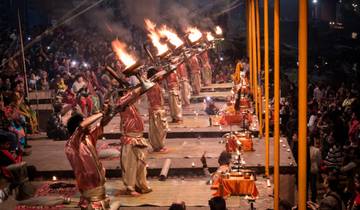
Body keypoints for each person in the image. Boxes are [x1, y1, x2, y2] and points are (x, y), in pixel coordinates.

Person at [65, 111, 113, 210]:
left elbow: (102, 124)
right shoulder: (72, 144)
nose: (90, 125)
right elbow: (82, 126)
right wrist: (101, 113)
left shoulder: (87, 138)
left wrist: (111, 111)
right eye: (86, 122)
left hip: (100, 190)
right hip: (90, 192)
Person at [118, 93, 152, 196]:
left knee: (141, 164)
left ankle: (140, 184)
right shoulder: (123, 104)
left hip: (139, 137)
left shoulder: (133, 104)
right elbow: (126, 99)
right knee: (131, 165)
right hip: (130, 139)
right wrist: (131, 93)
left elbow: (138, 95)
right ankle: (130, 187)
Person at [146, 69, 168, 152]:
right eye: (159, 75)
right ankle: (159, 146)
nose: (161, 77)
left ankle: (158, 146)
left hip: (156, 109)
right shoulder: (154, 86)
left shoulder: (153, 85)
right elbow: (154, 100)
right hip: (156, 110)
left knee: (158, 130)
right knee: (159, 131)